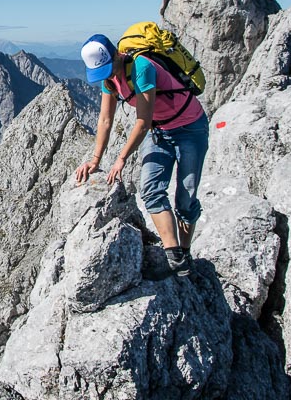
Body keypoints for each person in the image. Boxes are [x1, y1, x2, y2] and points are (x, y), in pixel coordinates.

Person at [74, 33, 209, 277]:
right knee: (151, 189)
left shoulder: (142, 67)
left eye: (109, 69)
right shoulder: (110, 79)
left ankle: (185, 252)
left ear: (117, 55)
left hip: (190, 128)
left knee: (186, 199)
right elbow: (105, 119)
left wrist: (121, 158)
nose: (109, 76)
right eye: (102, 74)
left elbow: (143, 121)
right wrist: (95, 159)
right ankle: (175, 257)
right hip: (159, 131)